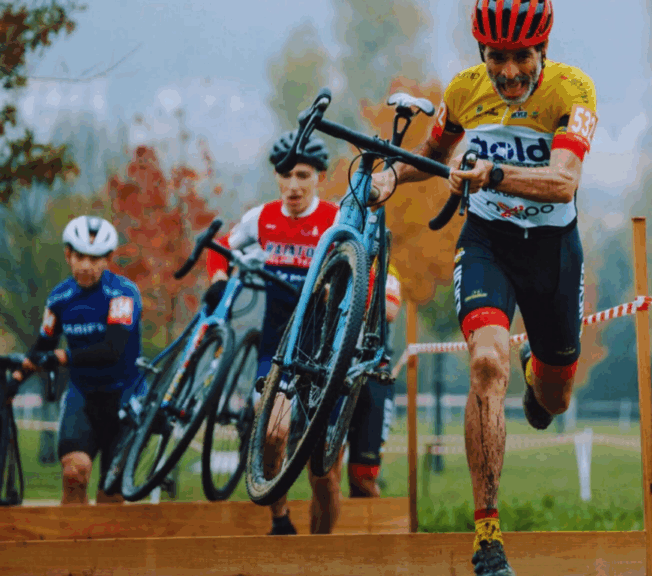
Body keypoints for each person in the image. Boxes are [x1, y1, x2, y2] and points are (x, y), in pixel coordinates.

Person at [368, 0, 596, 573]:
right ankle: (488, 534)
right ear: (481, 53)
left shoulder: (573, 91)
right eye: (498, 57)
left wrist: (494, 173)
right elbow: (434, 155)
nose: (510, 71)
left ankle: (536, 376)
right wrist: (393, 174)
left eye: (522, 56)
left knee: (553, 399)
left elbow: (564, 183)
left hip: (551, 250)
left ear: (541, 50)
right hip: (487, 241)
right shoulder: (466, 91)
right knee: (487, 363)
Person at [205, 130, 399, 535]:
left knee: (322, 474)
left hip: (326, 351)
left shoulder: (335, 218)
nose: (293, 185)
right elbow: (220, 246)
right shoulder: (262, 218)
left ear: (320, 177)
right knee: (273, 430)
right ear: (276, 177)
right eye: (286, 175)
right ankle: (279, 520)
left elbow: (370, 275)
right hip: (278, 343)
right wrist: (219, 276)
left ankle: (320, 549)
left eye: (303, 175)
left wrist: (344, 295)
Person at [13, 215, 144, 505]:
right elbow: (43, 345)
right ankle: (68, 547)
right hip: (83, 396)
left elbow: (113, 349)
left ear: (108, 259)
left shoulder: (123, 294)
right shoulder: (60, 297)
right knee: (75, 472)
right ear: (68, 255)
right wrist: (17, 378)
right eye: (80, 256)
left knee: (111, 495)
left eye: (96, 258)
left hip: (124, 398)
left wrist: (63, 356)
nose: (87, 265)